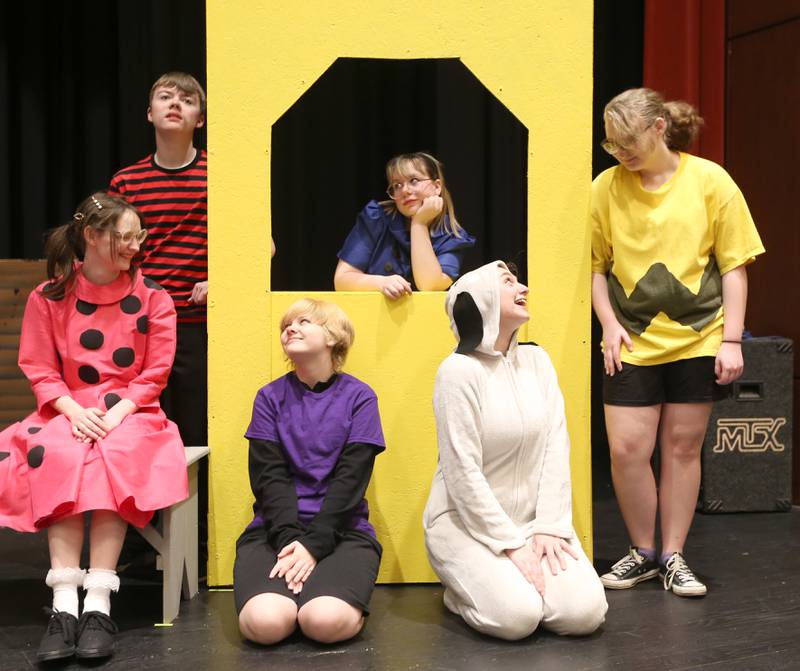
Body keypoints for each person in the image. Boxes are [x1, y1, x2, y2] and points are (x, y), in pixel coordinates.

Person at [591, 88, 764, 597]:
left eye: (630, 142)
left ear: (659, 128)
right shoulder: (606, 187)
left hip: (698, 336)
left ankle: (672, 555)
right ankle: (642, 552)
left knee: (683, 448)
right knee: (626, 449)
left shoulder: (711, 181)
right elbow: (597, 268)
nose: (623, 153)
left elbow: (734, 265)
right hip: (633, 337)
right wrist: (606, 323)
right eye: (613, 144)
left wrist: (731, 339)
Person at [0, 193, 188, 661]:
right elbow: (40, 368)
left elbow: (154, 373)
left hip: (131, 411)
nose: (133, 246)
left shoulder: (154, 298)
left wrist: (115, 413)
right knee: (60, 454)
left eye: (136, 236)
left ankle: (99, 603)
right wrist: (73, 412)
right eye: (123, 236)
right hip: (67, 408)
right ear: (92, 236)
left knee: (113, 455)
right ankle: (64, 606)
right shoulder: (50, 297)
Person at [423, 261, 608, 640]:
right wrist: (509, 544)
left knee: (585, 615)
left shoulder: (537, 361)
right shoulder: (456, 372)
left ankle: (515, 585)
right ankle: (461, 596)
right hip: (464, 523)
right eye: (508, 282)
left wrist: (551, 527)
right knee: (517, 619)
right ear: (482, 298)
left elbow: (557, 446)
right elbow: (462, 473)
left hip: (532, 523)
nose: (522, 287)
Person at [234, 299, 385, 645]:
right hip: (275, 530)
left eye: (304, 321)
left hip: (343, 530)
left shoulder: (360, 397)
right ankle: (295, 595)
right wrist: (291, 543)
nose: (291, 328)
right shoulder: (269, 398)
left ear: (332, 337)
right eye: (286, 324)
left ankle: (324, 598)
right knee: (265, 624)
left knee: (323, 622)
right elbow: (269, 478)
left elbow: (351, 480)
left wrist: (315, 545)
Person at [108, 71, 209, 450]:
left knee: (194, 428)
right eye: (166, 97)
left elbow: (261, 245)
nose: (175, 104)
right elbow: (109, 250)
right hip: (137, 321)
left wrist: (224, 281)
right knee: (137, 421)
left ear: (199, 119)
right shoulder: (127, 182)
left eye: (187, 99)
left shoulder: (219, 174)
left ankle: (196, 512)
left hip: (198, 323)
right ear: (149, 113)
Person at [334, 151, 475, 299]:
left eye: (414, 181)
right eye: (397, 185)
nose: (405, 191)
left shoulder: (452, 236)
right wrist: (381, 282)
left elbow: (429, 286)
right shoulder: (376, 218)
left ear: (437, 186)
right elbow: (342, 279)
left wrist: (419, 224)